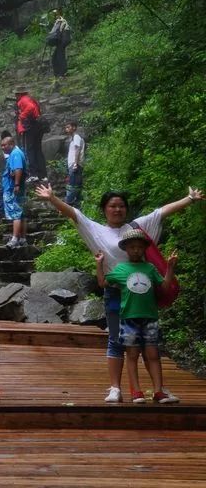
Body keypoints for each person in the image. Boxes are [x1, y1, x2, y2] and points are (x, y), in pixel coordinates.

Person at [34, 182, 202, 402]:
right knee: (116, 339)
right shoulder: (96, 230)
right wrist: (52, 198)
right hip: (115, 292)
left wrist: (189, 199)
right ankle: (115, 387)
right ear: (105, 209)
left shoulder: (136, 227)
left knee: (149, 343)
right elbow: (74, 214)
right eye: (112, 206)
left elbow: (161, 213)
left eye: (121, 205)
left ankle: (159, 389)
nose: (117, 209)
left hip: (142, 293)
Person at [96, 229, 179, 404]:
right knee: (132, 355)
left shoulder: (149, 268)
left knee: (153, 354)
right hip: (129, 318)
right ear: (126, 249)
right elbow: (103, 283)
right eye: (132, 247)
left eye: (139, 247)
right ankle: (136, 391)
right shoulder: (121, 269)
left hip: (150, 317)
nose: (136, 250)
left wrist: (170, 267)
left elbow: (164, 287)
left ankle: (158, 391)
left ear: (144, 249)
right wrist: (99, 264)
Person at [0, 134, 28, 248]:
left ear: (11, 144)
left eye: (4, 145)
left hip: (13, 188)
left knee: (15, 213)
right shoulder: (16, 153)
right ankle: (23, 238)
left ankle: (14, 238)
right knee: (21, 214)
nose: (2, 147)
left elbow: (18, 169)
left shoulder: (15, 154)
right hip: (15, 187)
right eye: (1, 145)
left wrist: (16, 184)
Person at [14, 88, 47, 180]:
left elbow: (30, 108)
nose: (15, 96)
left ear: (20, 94)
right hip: (38, 125)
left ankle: (34, 174)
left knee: (30, 150)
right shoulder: (30, 99)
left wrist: (22, 115)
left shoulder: (23, 100)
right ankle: (43, 175)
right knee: (38, 150)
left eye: (16, 94)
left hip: (30, 126)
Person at [47, 9, 73, 78]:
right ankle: (58, 73)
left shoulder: (59, 21)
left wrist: (49, 37)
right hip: (63, 39)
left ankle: (62, 73)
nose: (54, 17)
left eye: (54, 15)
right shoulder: (60, 21)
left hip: (63, 39)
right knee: (55, 57)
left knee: (59, 56)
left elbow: (54, 32)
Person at [64, 121, 85, 206]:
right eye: (66, 127)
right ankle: (77, 204)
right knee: (76, 186)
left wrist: (75, 164)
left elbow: (77, 149)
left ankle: (67, 203)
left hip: (75, 165)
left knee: (73, 186)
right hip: (73, 165)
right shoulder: (73, 139)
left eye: (68, 127)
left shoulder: (76, 137)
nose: (66, 129)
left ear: (74, 127)